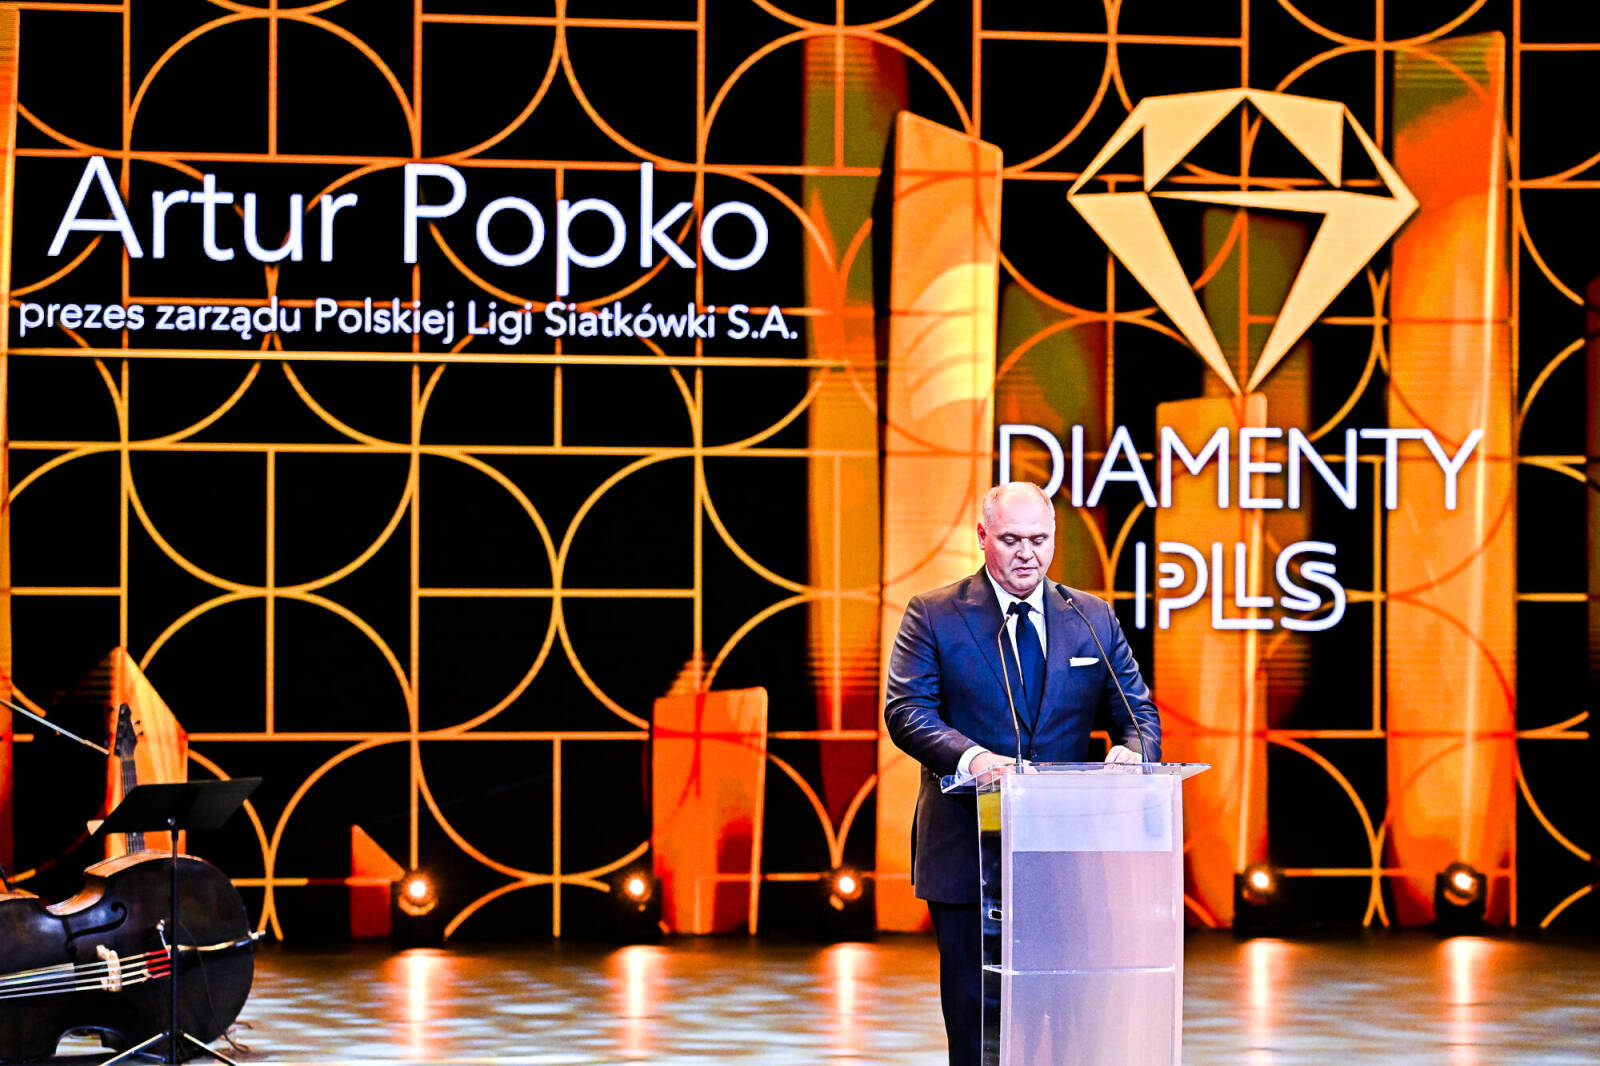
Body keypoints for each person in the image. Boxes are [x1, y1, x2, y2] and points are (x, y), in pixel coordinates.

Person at [883, 481, 1161, 1066]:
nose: (1027, 553)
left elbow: (1138, 715)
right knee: (979, 1029)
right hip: (967, 853)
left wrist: (1133, 751)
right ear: (982, 538)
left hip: (1063, 860)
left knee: (1069, 1023)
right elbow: (907, 711)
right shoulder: (934, 613)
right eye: (1011, 540)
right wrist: (973, 759)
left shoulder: (1091, 618)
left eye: (1039, 539)